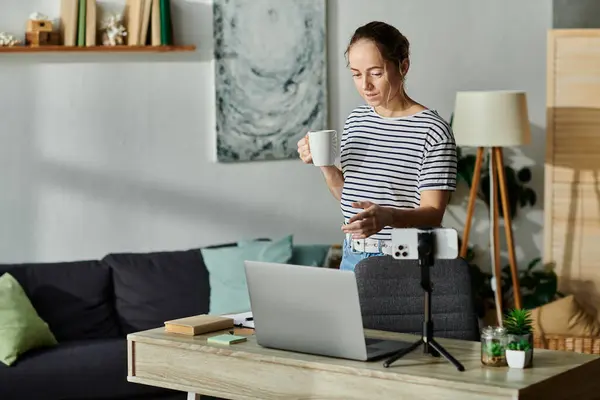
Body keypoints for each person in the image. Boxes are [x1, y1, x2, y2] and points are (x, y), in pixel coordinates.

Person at [297, 21, 458, 272]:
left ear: (403, 66)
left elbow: (433, 213)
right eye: (356, 74)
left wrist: (388, 217)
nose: (365, 85)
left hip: (402, 262)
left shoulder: (433, 130)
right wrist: (324, 164)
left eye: (376, 73)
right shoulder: (357, 121)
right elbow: (349, 199)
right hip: (352, 257)